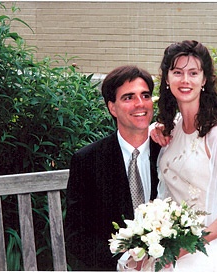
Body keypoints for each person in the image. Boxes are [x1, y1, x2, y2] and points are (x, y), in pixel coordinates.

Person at [151, 40, 217, 271]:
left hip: (211, 240)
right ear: (167, 79)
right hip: (174, 235)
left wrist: (188, 246)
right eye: (177, 72)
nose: (185, 80)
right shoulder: (171, 128)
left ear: (204, 80)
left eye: (193, 73)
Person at [65, 65, 161, 271]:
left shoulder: (167, 153)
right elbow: (76, 236)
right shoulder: (88, 160)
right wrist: (122, 261)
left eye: (145, 95)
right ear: (112, 107)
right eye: (128, 98)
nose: (140, 104)